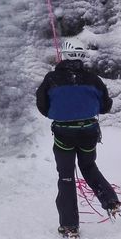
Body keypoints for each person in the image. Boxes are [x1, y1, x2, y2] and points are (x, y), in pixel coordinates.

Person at [36, 38, 120, 238]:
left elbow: (43, 106)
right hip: (89, 132)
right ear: (82, 56)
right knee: (89, 167)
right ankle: (111, 201)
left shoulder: (51, 79)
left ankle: (69, 227)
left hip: (64, 133)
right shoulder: (93, 79)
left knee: (66, 178)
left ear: (64, 55)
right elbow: (105, 106)